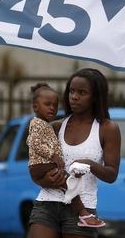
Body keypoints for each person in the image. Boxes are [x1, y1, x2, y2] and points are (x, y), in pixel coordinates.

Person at [24, 68, 121, 238]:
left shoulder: (107, 129)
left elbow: (112, 174)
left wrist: (89, 164)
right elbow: (36, 166)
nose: (74, 97)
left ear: (95, 96)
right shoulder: (56, 125)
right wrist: (46, 180)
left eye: (82, 92)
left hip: (81, 209)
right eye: (71, 91)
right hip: (47, 204)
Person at [27, 82, 105, 228]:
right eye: (47, 104)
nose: (52, 108)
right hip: (42, 166)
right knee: (69, 181)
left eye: (55, 105)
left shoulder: (46, 124)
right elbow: (33, 142)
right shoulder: (37, 123)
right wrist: (53, 156)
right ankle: (83, 213)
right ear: (36, 107)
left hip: (44, 167)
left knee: (67, 182)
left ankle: (80, 211)